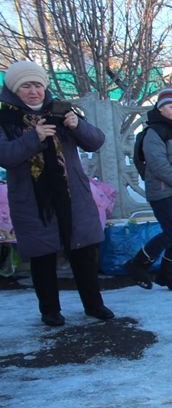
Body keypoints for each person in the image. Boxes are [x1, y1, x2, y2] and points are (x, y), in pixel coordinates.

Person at [0, 60, 113, 326]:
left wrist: (76, 125)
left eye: (37, 85)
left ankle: (94, 305)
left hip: (72, 196)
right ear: (15, 90)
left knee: (83, 252)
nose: (33, 91)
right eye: (26, 86)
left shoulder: (60, 112)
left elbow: (96, 141)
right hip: (33, 200)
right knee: (43, 255)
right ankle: (50, 310)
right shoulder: (6, 119)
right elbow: (5, 156)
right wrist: (34, 137)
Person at [123, 87, 172, 288]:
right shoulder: (153, 132)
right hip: (162, 191)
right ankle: (137, 265)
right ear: (161, 108)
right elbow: (158, 165)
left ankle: (168, 275)